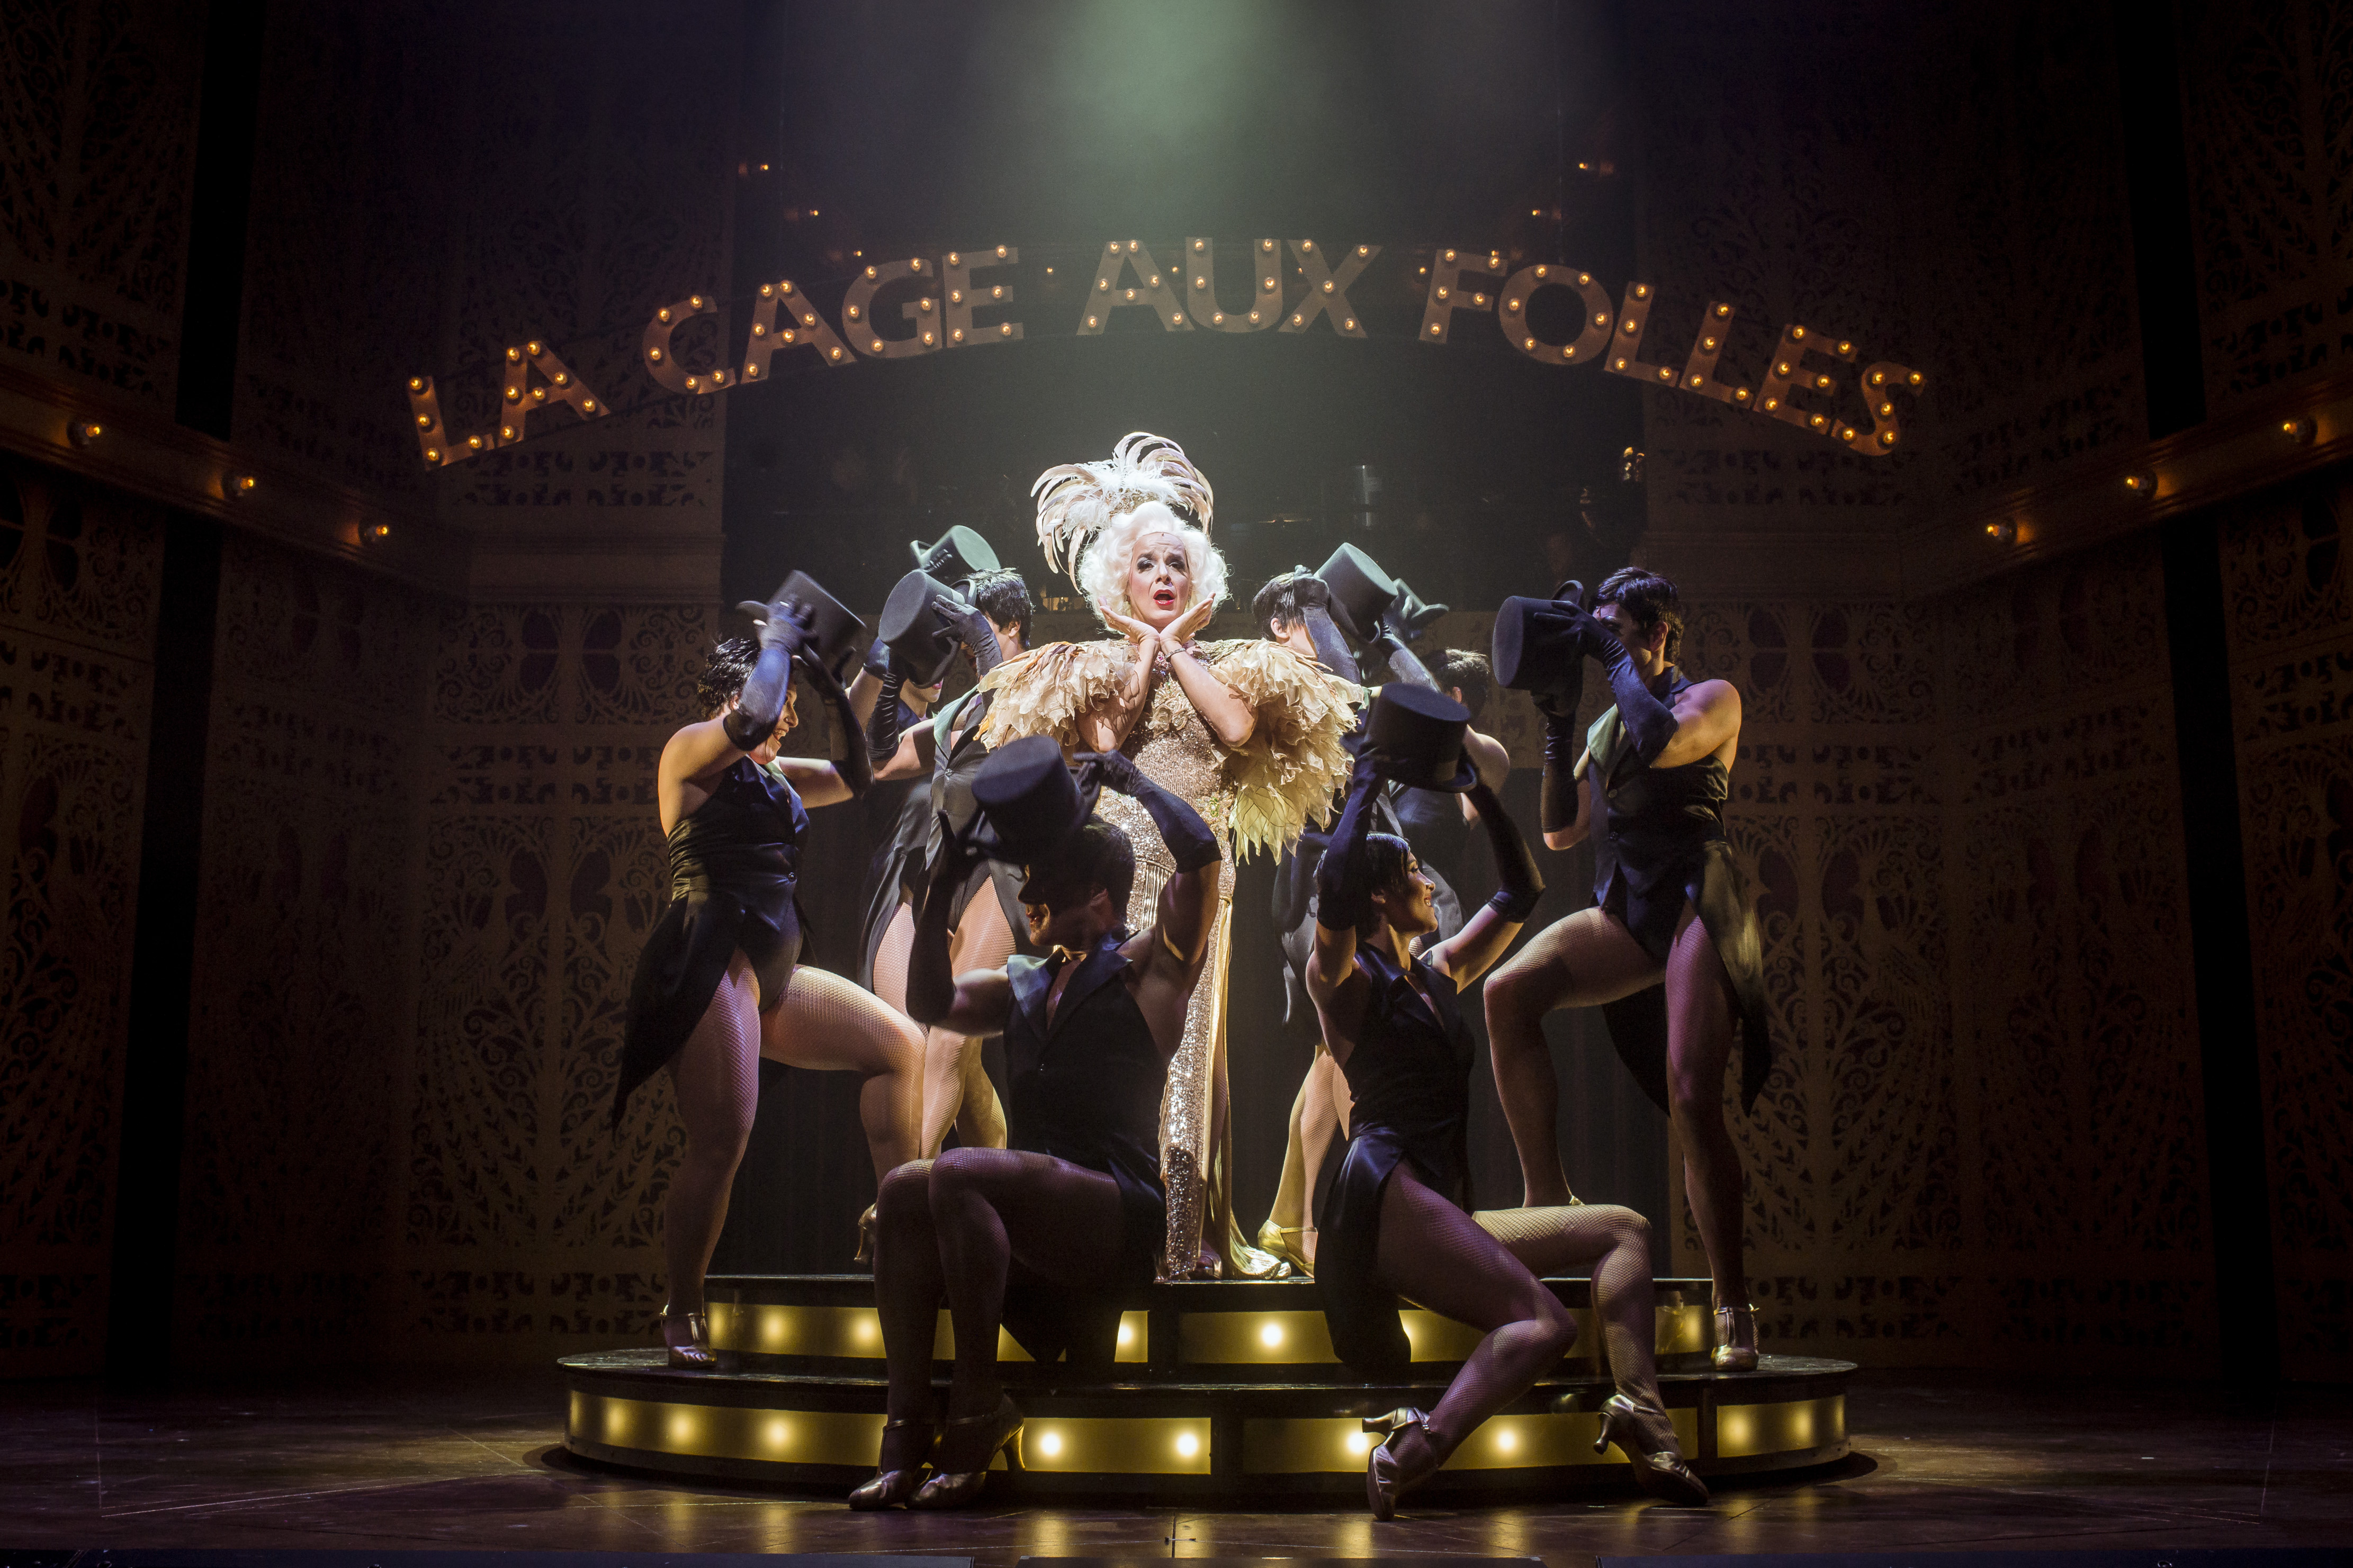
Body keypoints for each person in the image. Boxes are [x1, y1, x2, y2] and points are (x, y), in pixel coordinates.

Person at [1306, 713, 1705, 1517]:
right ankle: (1412, 1450)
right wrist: (1366, 781)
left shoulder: (1438, 970)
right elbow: (1335, 894)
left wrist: (1482, 795)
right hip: (1385, 1188)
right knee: (1542, 1323)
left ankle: (1641, 1410)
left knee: (1625, 1231)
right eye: (1413, 871)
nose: (1429, 883)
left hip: (1438, 1199)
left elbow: (1521, 889)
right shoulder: (1342, 981)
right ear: (1379, 894)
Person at [980, 433, 1358, 1279]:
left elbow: (1236, 729)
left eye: (1176, 564)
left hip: (1195, 875)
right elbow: (1109, 734)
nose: (1162, 576)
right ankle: (1124, 1226)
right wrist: (1144, 643)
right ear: (1120, 578)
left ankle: (1183, 1237)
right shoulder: (1093, 666)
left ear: (1199, 581)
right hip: (1114, 882)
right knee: (1117, 1053)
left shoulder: (1226, 665)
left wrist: (1178, 645)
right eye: (1146, 564)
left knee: (1192, 1053)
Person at [856, 740, 1220, 1509]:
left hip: (1115, 1208)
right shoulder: (1021, 981)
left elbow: (1200, 857)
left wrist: (1132, 780)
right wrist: (941, 887)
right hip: (1029, 1209)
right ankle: (905, 1433)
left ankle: (976, 1413)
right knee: (902, 1191)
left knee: (958, 1171)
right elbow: (929, 1002)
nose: (1026, 888)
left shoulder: (1152, 968)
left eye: (1044, 874)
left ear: (1097, 892)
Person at [613, 596, 924, 1367]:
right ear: (741, 688)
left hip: (772, 972)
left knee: (900, 1048)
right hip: (711, 964)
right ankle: (684, 1304)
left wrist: (860, 670)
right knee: (722, 1140)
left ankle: (899, 1237)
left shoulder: (778, 775)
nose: (788, 719)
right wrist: (780, 641)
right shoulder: (690, 750)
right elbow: (752, 719)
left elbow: (856, 773)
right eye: (783, 701)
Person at [1483, 566, 1772, 1369]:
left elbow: (1665, 743)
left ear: (1659, 633)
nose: (1600, 641)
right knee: (1507, 992)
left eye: (1615, 630)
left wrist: (1611, 658)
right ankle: (1548, 1199)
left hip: (1697, 902)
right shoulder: (1612, 722)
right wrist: (1559, 725)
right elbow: (1560, 830)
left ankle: (1733, 1299)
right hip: (1628, 908)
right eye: (1599, 630)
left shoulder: (1711, 698)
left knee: (1692, 1097)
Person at [860, 569, 1036, 1156]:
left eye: (978, 628)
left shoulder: (1051, 674)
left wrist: (986, 645)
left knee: (951, 1043)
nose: (963, 645)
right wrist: (893, 673)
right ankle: (983, 1186)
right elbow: (883, 760)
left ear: (1012, 623)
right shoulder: (963, 705)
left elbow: (1014, 730)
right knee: (943, 1049)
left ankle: (907, 1185)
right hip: (944, 871)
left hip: (1000, 870)